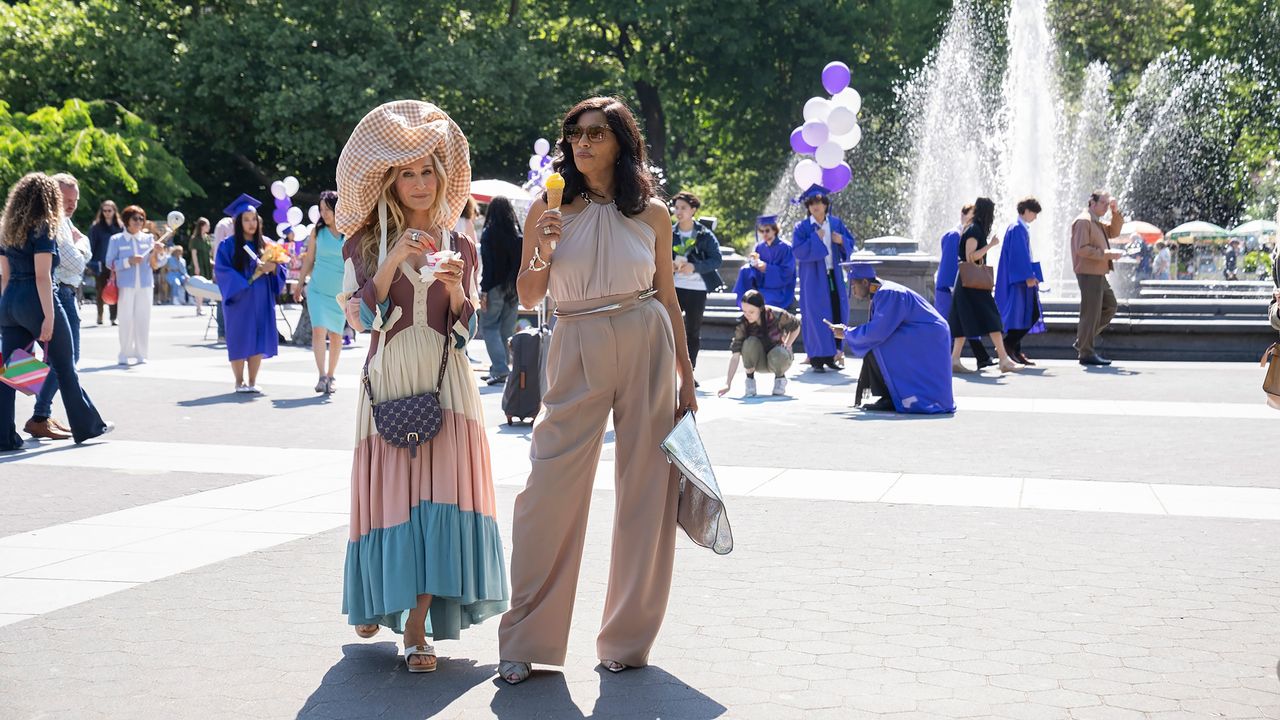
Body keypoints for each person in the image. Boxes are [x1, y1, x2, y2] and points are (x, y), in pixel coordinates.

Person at [498, 96, 697, 685]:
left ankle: (627, 641)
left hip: (646, 337)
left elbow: (668, 297)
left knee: (646, 490)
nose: (582, 143)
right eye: (575, 134)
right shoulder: (548, 207)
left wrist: (686, 376)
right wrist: (544, 247)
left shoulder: (652, 214)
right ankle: (526, 638)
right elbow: (529, 296)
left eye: (596, 134)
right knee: (548, 488)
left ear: (620, 143)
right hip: (576, 337)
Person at [334, 99, 508, 674]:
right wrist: (391, 260)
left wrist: (456, 289)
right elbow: (362, 320)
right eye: (406, 172)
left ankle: (416, 629)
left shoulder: (462, 246)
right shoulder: (361, 242)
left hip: (446, 381)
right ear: (391, 179)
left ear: (440, 176)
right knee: (392, 499)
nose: (418, 182)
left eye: (427, 170)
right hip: (389, 377)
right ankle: (378, 598)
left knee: (439, 498)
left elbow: (466, 330)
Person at [0, 172, 113, 451]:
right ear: (48, 197)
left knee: (8, 372)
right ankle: (87, 426)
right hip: (36, 300)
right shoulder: (44, 227)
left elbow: (4, 275)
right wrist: (49, 317)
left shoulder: (7, 228)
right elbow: (42, 276)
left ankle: (4, 436)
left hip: (9, 301)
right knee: (64, 365)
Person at [829, 262, 955, 414]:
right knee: (874, 342)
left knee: (878, 344)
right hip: (923, 332)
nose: (852, 290)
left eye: (853, 285)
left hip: (927, 334)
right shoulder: (882, 292)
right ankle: (891, 395)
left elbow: (877, 331)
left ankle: (892, 396)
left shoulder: (888, 293)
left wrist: (846, 333)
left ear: (865, 282)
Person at [23, 174, 91, 441]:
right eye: (66, 199)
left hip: (48, 294)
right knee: (66, 359)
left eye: (75, 200)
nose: (71, 204)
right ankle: (40, 416)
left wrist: (80, 245)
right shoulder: (55, 223)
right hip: (58, 293)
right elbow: (76, 263)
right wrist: (82, 243)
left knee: (47, 358)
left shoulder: (58, 220)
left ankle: (41, 415)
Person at [214, 194, 285, 394]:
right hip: (239, 298)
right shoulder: (228, 245)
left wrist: (273, 268)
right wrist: (244, 282)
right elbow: (222, 271)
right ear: (238, 223)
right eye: (246, 219)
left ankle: (253, 381)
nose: (251, 223)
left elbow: (281, 269)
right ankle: (239, 381)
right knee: (239, 336)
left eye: (254, 219)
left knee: (259, 336)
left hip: (262, 297)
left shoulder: (267, 244)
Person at [948, 197, 1019, 374]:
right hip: (971, 284)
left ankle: (954, 360)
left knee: (962, 320)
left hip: (967, 282)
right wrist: (991, 245)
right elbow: (970, 256)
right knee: (992, 317)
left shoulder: (973, 228)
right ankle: (1003, 359)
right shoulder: (974, 229)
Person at [792, 184, 855, 372]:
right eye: (811, 203)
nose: (815, 206)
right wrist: (815, 239)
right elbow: (798, 252)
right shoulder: (802, 227)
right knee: (815, 315)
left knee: (836, 310)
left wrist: (842, 241)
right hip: (813, 277)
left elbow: (850, 244)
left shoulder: (835, 223)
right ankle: (817, 358)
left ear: (826, 204)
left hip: (833, 275)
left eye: (818, 202)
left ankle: (832, 355)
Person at [105, 205, 171, 365]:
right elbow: (109, 263)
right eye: (135, 218)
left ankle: (142, 353)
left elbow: (157, 264)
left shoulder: (149, 239)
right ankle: (124, 353)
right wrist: (129, 261)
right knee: (125, 320)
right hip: (125, 285)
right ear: (127, 220)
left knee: (143, 319)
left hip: (145, 285)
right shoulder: (116, 240)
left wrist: (160, 252)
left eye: (142, 219)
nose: (139, 222)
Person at [294, 191, 345, 394]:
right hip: (317, 289)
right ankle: (322, 376)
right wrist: (299, 285)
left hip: (340, 293)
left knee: (336, 335)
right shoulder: (317, 231)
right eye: (321, 209)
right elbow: (309, 259)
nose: (324, 213)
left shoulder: (349, 231)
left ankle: (331, 375)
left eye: (328, 209)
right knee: (318, 330)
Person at [934, 203, 992, 372]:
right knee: (949, 324)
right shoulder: (955, 235)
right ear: (963, 215)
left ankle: (980, 358)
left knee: (961, 322)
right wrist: (954, 287)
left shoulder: (961, 234)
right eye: (972, 215)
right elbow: (950, 263)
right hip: (948, 289)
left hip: (952, 287)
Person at [669, 190, 722, 373]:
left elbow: (717, 260)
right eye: (676, 208)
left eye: (683, 208)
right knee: (669, 329)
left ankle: (689, 374)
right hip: (674, 287)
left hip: (697, 289)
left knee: (692, 331)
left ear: (693, 210)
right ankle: (670, 372)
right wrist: (670, 265)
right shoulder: (670, 231)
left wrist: (694, 266)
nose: (678, 211)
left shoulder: (704, 234)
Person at [1071, 190, 1125, 366]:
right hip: (1089, 273)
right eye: (1103, 203)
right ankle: (1086, 352)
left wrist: (1115, 211)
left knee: (1110, 306)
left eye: (1108, 204)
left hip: (1098, 272)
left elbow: (1114, 232)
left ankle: (1083, 341)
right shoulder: (1084, 221)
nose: (1106, 207)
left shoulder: (1097, 222)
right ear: (1092, 203)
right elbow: (1081, 249)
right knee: (1091, 314)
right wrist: (1107, 254)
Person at [718, 289, 799, 397]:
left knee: (779, 352)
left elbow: (796, 326)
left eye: (751, 312)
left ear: (761, 309)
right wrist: (728, 384)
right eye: (744, 311)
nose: (747, 315)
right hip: (758, 362)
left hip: (778, 358)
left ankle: (780, 379)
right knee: (749, 343)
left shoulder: (775, 314)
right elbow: (735, 355)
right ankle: (750, 380)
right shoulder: (743, 324)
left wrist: (787, 344)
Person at [477, 195, 522, 385]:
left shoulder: (489, 233)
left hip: (494, 286)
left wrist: (484, 290)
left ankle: (500, 369)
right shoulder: (518, 235)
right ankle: (499, 369)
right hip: (514, 288)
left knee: (489, 327)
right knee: (506, 330)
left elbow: (488, 266)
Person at [996, 197, 1045, 366]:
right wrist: (1027, 277)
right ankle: (1008, 345)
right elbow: (1018, 256)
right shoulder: (1017, 228)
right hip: (1019, 281)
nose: (1035, 217)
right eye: (1034, 213)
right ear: (1026, 211)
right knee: (1029, 314)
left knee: (1021, 316)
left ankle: (1015, 351)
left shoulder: (1018, 228)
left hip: (1019, 279)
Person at [732, 215, 796, 310]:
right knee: (745, 270)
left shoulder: (786, 248)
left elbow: (787, 272)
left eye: (767, 230)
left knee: (764, 300)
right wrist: (753, 263)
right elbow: (754, 268)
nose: (764, 234)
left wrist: (767, 268)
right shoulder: (760, 247)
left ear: (774, 230)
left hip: (780, 289)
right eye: (761, 231)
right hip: (762, 285)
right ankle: (741, 301)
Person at [88, 199, 122, 326]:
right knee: (101, 289)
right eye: (105, 210)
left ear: (114, 211)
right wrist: (91, 262)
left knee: (115, 289)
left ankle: (113, 317)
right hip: (100, 263)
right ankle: (100, 315)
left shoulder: (120, 227)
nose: (107, 213)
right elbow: (91, 245)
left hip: (116, 263)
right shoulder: (96, 227)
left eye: (109, 210)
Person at [212, 216, 234, 340]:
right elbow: (218, 248)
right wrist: (218, 270)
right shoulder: (223, 225)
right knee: (222, 299)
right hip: (224, 268)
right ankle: (222, 333)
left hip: (238, 269)